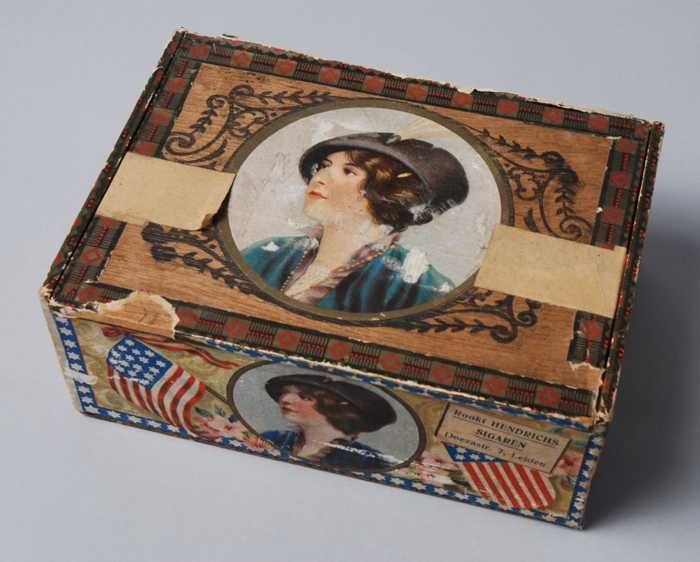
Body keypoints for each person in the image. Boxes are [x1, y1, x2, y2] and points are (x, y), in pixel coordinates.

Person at [241, 132, 469, 313]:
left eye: (348, 171)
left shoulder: (415, 288)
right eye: (324, 166)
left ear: (384, 193)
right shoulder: (266, 254)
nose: (319, 178)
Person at [260, 374, 398, 471]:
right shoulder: (273, 439)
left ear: (337, 410)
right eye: (284, 393)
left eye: (306, 397)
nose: (285, 400)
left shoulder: (367, 460)